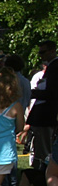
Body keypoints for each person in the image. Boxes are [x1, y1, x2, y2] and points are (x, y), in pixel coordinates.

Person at [23, 41, 57, 172]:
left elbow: (52, 92)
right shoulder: (51, 66)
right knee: (40, 147)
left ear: (52, 50)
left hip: (47, 115)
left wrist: (32, 92)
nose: (40, 55)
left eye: (43, 52)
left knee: (44, 150)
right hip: (45, 114)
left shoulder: (55, 67)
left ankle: (42, 175)